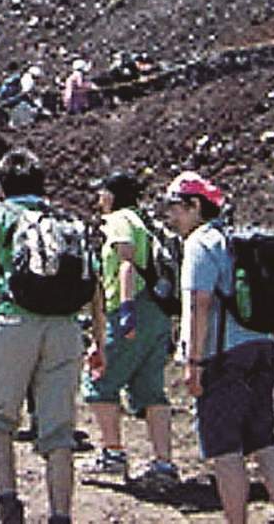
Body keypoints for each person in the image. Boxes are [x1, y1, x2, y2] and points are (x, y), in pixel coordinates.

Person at [0, 147, 106, 524]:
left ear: (2, 185)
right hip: (65, 329)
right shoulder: (68, 223)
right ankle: (60, 515)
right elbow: (95, 286)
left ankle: (9, 502)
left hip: (12, 323)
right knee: (59, 430)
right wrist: (99, 340)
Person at [162, 171, 274, 524]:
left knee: (226, 450)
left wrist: (193, 362)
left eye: (176, 208)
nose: (171, 217)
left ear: (195, 206)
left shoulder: (199, 244)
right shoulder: (235, 240)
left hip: (223, 356)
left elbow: (198, 304)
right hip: (261, 345)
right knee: (264, 441)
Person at [84, 171, 177, 489]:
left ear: (113, 195)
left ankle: (112, 453)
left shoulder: (120, 219)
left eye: (102, 193)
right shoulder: (144, 221)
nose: (98, 200)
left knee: (99, 380)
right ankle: (163, 463)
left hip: (132, 307)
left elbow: (125, 263)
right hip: (157, 312)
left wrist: (125, 313)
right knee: (150, 389)